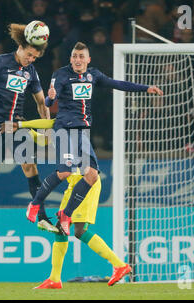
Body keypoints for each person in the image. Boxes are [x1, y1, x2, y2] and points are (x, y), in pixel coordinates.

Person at [26, 42, 163, 235]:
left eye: (81, 56)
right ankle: (35, 204)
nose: (78, 59)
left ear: (88, 60)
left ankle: (66, 215)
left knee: (92, 175)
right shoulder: (61, 74)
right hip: (64, 129)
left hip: (82, 132)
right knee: (65, 172)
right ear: (70, 59)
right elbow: (50, 100)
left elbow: (118, 84)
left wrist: (145, 88)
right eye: (75, 56)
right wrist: (50, 98)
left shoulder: (93, 75)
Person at [6, 118, 131, 288]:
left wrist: (23, 125)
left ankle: (120, 265)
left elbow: (49, 124)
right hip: (75, 184)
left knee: (79, 231)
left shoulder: (70, 128)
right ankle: (55, 279)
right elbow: (44, 138)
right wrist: (25, 130)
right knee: (61, 230)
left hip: (85, 182)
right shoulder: (62, 129)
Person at [0, 22, 55, 235]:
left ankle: (42, 216)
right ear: (21, 47)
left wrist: (47, 127)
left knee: (31, 167)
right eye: (30, 55)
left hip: (17, 124)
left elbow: (40, 101)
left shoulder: (31, 72)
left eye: (35, 58)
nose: (31, 60)